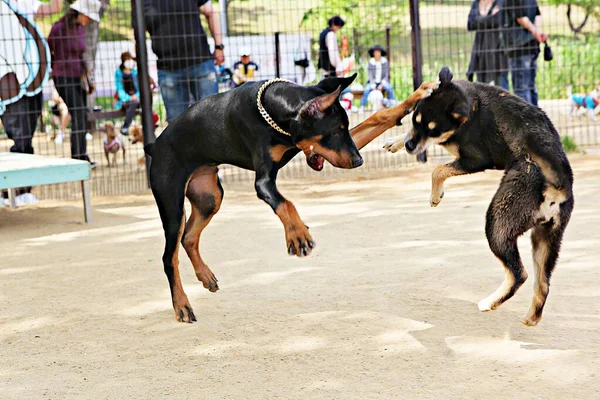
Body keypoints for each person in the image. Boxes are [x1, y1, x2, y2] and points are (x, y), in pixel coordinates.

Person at [0, 0, 64, 205]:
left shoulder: (24, 2)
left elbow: (53, 8)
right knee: (18, 135)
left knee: (25, 137)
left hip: (29, 80)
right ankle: (10, 192)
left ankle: (21, 191)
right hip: (6, 83)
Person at [135, 0, 224, 124]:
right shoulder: (142, 3)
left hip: (201, 64)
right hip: (168, 71)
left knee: (211, 119)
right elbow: (138, 37)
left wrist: (219, 46)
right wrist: (143, 71)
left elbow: (211, 12)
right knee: (176, 127)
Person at [48, 0, 101, 167]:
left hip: (78, 77)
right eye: (88, 17)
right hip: (62, 77)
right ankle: (78, 157)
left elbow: (81, 55)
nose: (89, 21)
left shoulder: (80, 30)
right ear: (79, 13)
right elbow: (49, 50)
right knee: (78, 112)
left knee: (82, 114)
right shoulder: (58, 28)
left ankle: (81, 155)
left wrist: (88, 78)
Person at [502, 0, 548, 105]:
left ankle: (528, 121)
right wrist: (536, 31)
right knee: (531, 87)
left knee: (521, 90)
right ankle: (537, 120)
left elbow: (520, 16)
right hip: (532, 45)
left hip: (519, 47)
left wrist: (534, 31)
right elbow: (537, 14)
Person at [467, 0, 509, 89]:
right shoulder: (475, 3)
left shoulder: (500, 2)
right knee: (482, 92)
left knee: (502, 91)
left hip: (498, 53)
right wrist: (490, 18)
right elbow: (470, 24)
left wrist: (477, 20)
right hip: (480, 52)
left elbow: (498, 20)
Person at [359, 44, 396, 113]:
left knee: (390, 88)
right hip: (372, 82)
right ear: (373, 53)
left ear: (381, 53)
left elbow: (386, 75)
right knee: (366, 89)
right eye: (375, 52)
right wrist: (373, 85)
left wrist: (382, 84)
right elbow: (369, 75)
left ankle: (393, 105)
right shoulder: (371, 62)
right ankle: (362, 106)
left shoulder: (385, 62)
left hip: (383, 82)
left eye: (378, 52)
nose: (377, 53)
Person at [114, 51, 140, 135]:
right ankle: (126, 127)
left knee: (136, 102)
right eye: (127, 59)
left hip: (137, 99)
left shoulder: (135, 72)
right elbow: (119, 89)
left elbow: (140, 88)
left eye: (130, 59)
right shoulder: (119, 73)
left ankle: (125, 126)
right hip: (125, 101)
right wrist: (128, 98)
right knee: (132, 102)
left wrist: (136, 96)